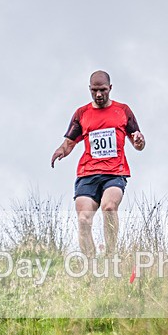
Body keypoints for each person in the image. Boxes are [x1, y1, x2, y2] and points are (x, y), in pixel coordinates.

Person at [51, 70, 145, 257]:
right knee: (84, 220)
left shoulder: (123, 111)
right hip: (88, 173)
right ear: (89, 89)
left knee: (109, 208)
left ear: (110, 88)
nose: (99, 95)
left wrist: (139, 141)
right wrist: (61, 150)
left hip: (114, 172)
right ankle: (91, 264)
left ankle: (110, 256)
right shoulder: (82, 113)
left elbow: (137, 142)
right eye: (94, 90)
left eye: (103, 90)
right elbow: (69, 142)